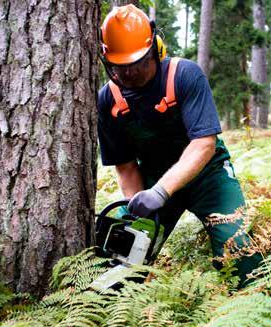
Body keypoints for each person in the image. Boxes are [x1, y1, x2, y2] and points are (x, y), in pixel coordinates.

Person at [96, 5, 261, 285]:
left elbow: (204, 144)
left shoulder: (184, 76)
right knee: (122, 255)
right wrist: (140, 210)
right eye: (119, 67)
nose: (128, 74)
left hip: (208, 176)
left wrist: (161, 192)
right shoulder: (108, 100)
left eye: (135, 64)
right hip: (151, 180)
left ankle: (255, 301)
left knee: (237, 245)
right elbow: (125, 167)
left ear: (153, 51)